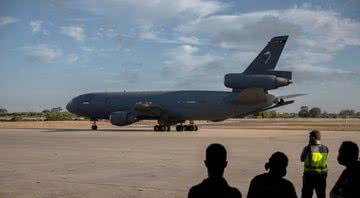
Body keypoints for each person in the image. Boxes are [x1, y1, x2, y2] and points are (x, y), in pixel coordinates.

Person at [300, 129, 329, 198]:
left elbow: (302, 159)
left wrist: (309, 146)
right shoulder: (325, 148)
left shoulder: (307, 148)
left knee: (306, 194)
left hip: (309, 175)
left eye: (309, 137)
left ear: (313, 138)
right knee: (321, 195)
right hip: (322, 175)